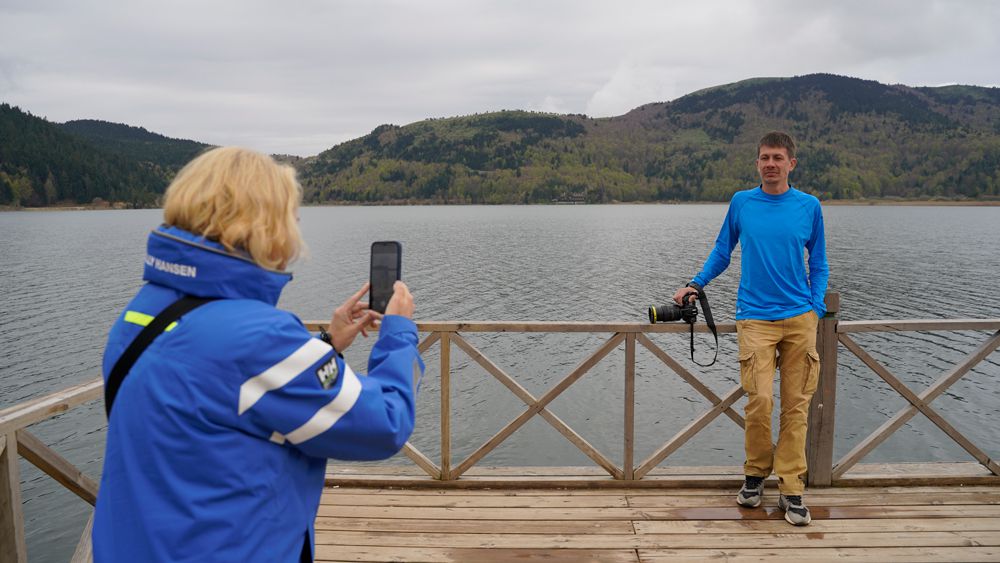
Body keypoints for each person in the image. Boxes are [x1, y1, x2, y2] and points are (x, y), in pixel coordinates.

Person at [92, 147, 423, 561]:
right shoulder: (258, 337)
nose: (296, 226)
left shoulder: (139, 314)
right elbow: (385, 423)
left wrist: (326, 346)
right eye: (291, 215)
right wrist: (399, 333)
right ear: (265, 225)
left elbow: (220, 391)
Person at [673, 131, 828, 526]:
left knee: (796, 406)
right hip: (754, 318)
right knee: (759, 400)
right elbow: (722, 251)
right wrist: (696, 284)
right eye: (764, 157)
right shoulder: (742, 202)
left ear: (792, 163)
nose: (770, 164)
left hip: (799, 319)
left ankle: (791, 488)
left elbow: (819, 262)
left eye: (778, 157)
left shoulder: (809, 206)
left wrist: (815, 306)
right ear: (757, 163)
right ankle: (755, 475)